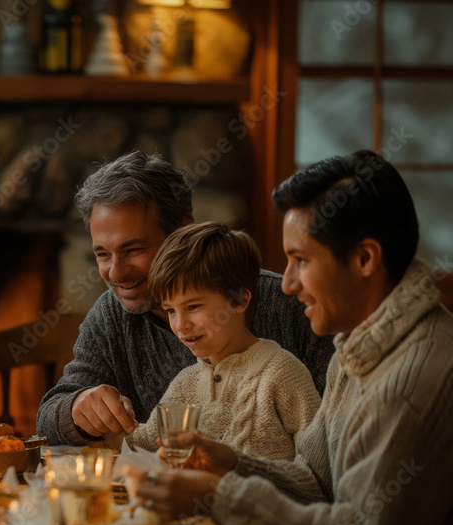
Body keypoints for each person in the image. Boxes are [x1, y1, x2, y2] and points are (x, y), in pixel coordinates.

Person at [125, 150, 453, 525]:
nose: (287, 283)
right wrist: (228, 462)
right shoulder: (356, 348)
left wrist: (216, 497)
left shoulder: (413, 380)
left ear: (365, 259)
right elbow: (315, 480)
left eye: (301, 260)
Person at [37, 151, 335, 448]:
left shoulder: (287, 304)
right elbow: (49, 417)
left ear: (183, 227)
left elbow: (334, 441)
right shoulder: (111, 317)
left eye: (133, 249)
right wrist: (77, 407)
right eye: (102, 254)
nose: (116, 272)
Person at [123, 221, 320, 460]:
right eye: (171, 310)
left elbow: (319, 467)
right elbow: (145, 444)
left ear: (238, 300)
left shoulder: (282, 373)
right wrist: (113, 423)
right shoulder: (184, 384)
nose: (180, 325)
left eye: (193, 306)